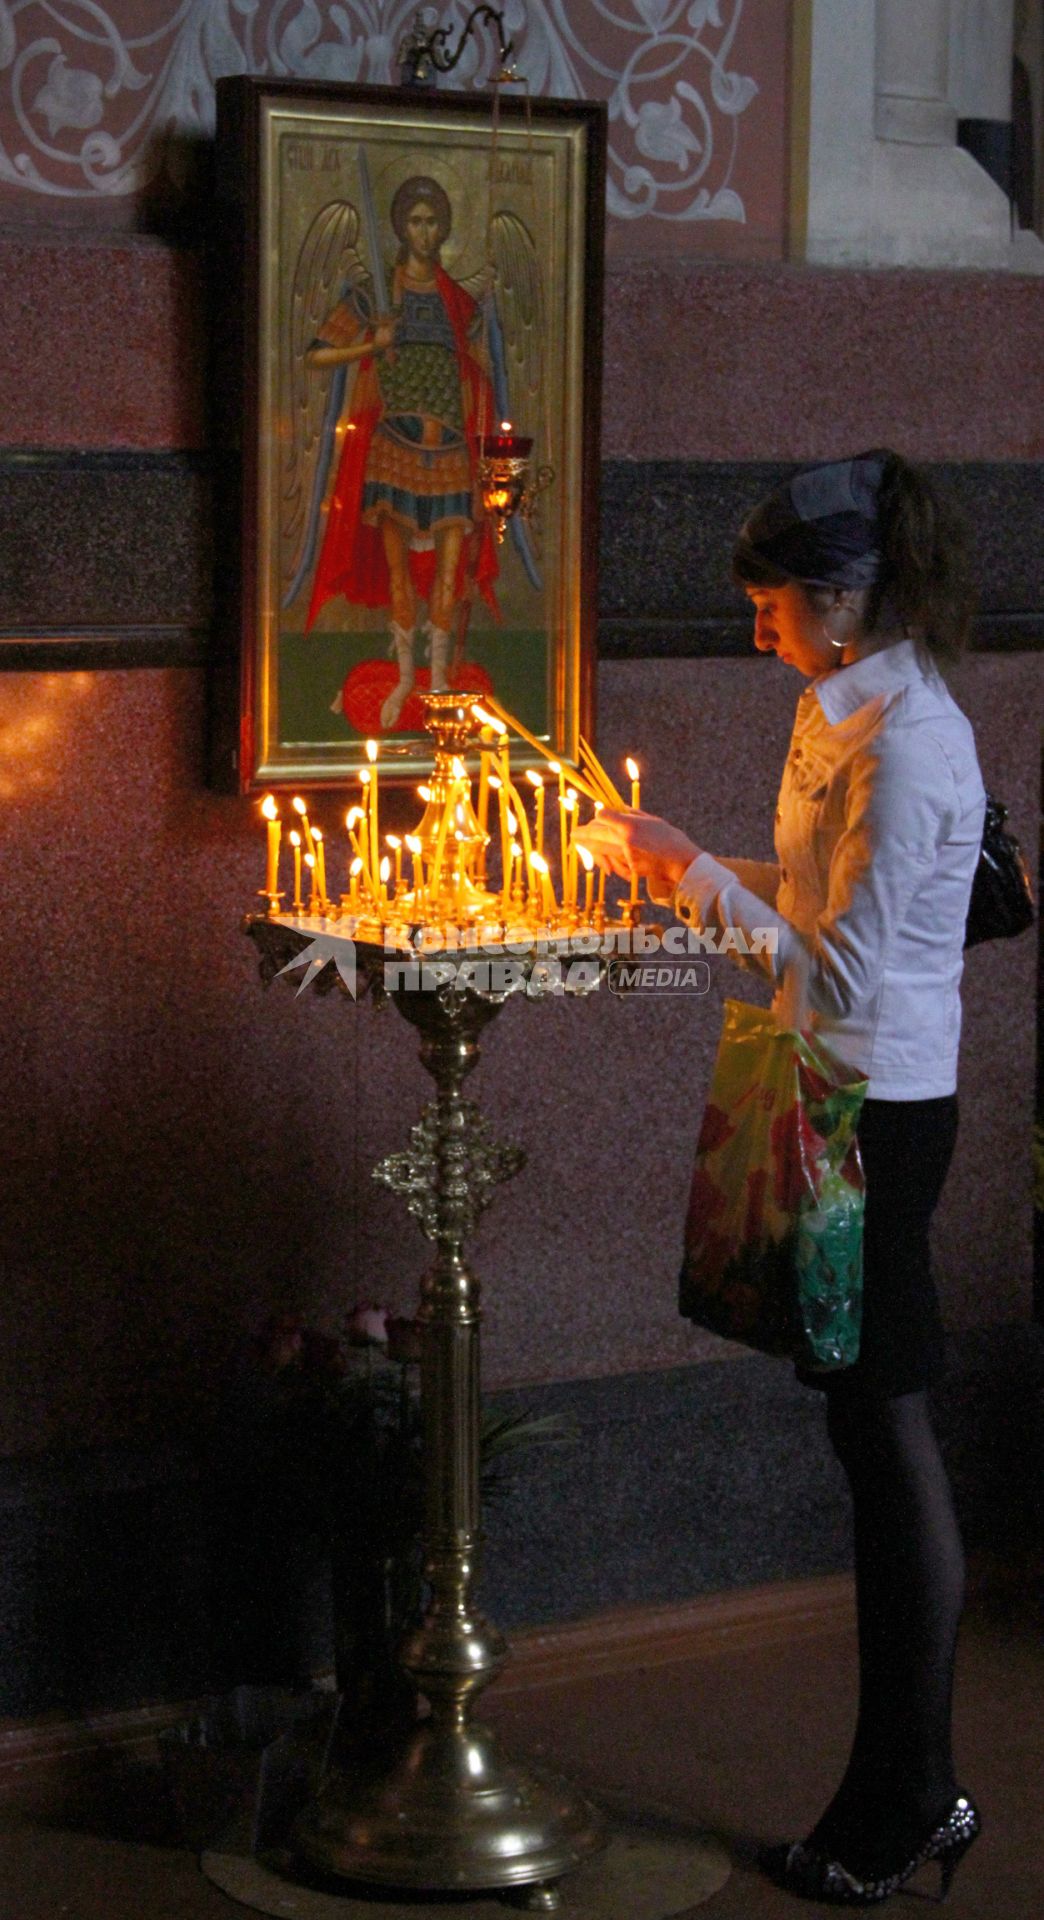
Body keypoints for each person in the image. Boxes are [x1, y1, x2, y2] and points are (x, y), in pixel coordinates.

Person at [577, 451, 986, 1906]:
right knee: (869, 1436)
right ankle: (908, 1790)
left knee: (886, 1441)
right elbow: (816, 904)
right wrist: (674, 859)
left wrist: (691, 873)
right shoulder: (844, 712)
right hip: (834, 1089)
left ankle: (910, 1801)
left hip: (877, 1109)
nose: (755, 629)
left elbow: (831, 974)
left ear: (840, 595)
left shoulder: (910, 744)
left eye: (769, 605)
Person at [305, 175, 499, 728]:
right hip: (393, 450)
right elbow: (317, 355)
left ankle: (438, 681)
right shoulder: (376, 297)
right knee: (397, 574)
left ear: (444, 228)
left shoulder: (456, 302)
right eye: (415, 221)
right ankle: (407, 679)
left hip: (452, 451)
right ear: (401, 228)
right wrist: (374, 343)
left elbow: (480, 372)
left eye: (433, 221)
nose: (424, 231)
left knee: (447, 572)